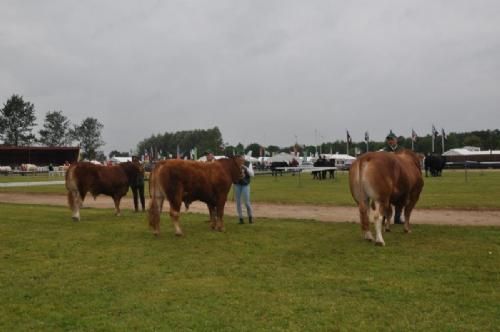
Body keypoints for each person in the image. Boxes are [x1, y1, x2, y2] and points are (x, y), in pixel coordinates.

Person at [384, 130, 404, 224]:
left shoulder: (402, 150)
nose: (390, 141)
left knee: (400, 198)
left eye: (391, 139)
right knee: (385, 197)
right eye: (388, 140)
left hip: (400, 177)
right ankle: (384, 217)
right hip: (388, 177)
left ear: (396, 140)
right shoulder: (385, 151)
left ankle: (397, 218)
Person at [234, 156, 254, 224]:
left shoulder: (248, 163)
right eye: (239, 157)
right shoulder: (235, 164)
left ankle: (250, 217)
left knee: (247, 202)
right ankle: (241, 218)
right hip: (237, 184)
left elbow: (252, 174)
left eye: (241, 157)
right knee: (238, 202)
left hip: (245, 184)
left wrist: (245, 168)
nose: (240, 158)